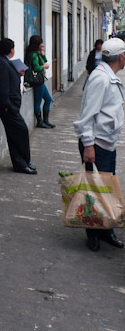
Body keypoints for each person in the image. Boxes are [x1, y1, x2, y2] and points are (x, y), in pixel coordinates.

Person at [73, 37, 125, 252]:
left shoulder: (108, 75)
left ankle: (105, 230)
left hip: (106, 144)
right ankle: (92, 234)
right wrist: (88, 146)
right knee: (93, 191)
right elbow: (86, 116)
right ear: (121, 57)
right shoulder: (101, 78)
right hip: (97, 145)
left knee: (104, 191)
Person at [0, 38, 37, 174]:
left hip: (11, 106)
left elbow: (8, 80)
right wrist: (6, 106)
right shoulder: (1, 63)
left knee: (18, 133)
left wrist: (18, 74)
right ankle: (21, 164)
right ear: (11, 50)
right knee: (19, 132)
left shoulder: (5, 62)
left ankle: (24, 162)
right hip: (8, 107)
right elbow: (1, 87)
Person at [25, 35, 54, 129]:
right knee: (38, 102)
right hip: (37, 81)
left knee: (48, 99)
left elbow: (45, 60)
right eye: (40, 43)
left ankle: (45, 120)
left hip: (40, 80)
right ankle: (40, 121)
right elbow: (36, 67)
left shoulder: (36, 53)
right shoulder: (33, 55)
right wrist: (44, 67)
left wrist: (42, 52)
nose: (42, 45)